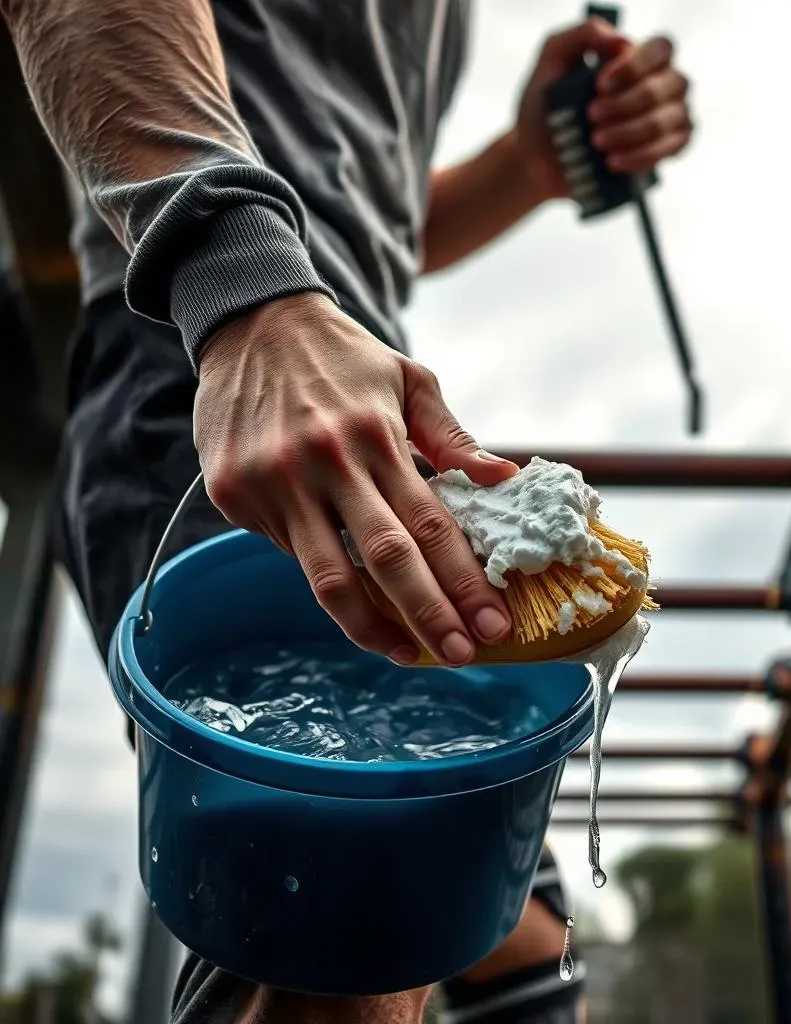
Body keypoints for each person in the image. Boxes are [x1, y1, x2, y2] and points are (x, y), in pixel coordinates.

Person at [1, 1, 694, 1021]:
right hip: (204, 356)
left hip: (349, 390)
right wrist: (245, 287)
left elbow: (368, 213)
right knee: (346, 940)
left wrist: (526, 164)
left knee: (515, 944)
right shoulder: (231, 298)